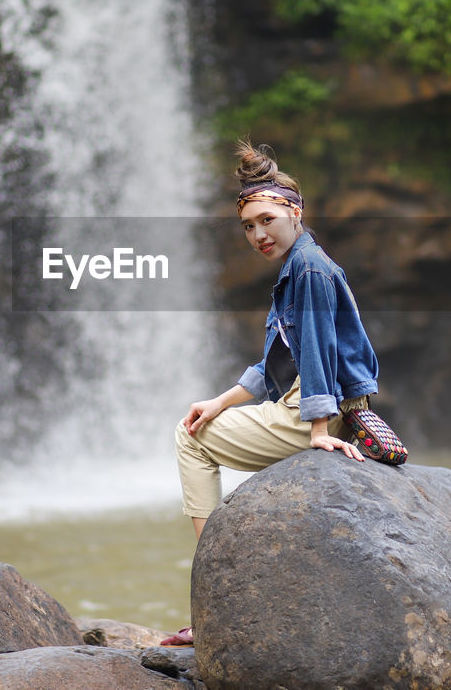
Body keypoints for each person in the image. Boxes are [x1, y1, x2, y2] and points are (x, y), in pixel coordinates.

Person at [160, 141, 382, 647]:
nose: (258, 234)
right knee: (200, 421)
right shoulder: (300, 263)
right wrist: (219, 401)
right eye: (248, 226)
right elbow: (278, 359)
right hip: (304, 404)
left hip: (308, 413)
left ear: (293, 211)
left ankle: (215, 586)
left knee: (189, 438)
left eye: (266, 220)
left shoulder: (308, 269)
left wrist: (319, 429)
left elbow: (322, 350)